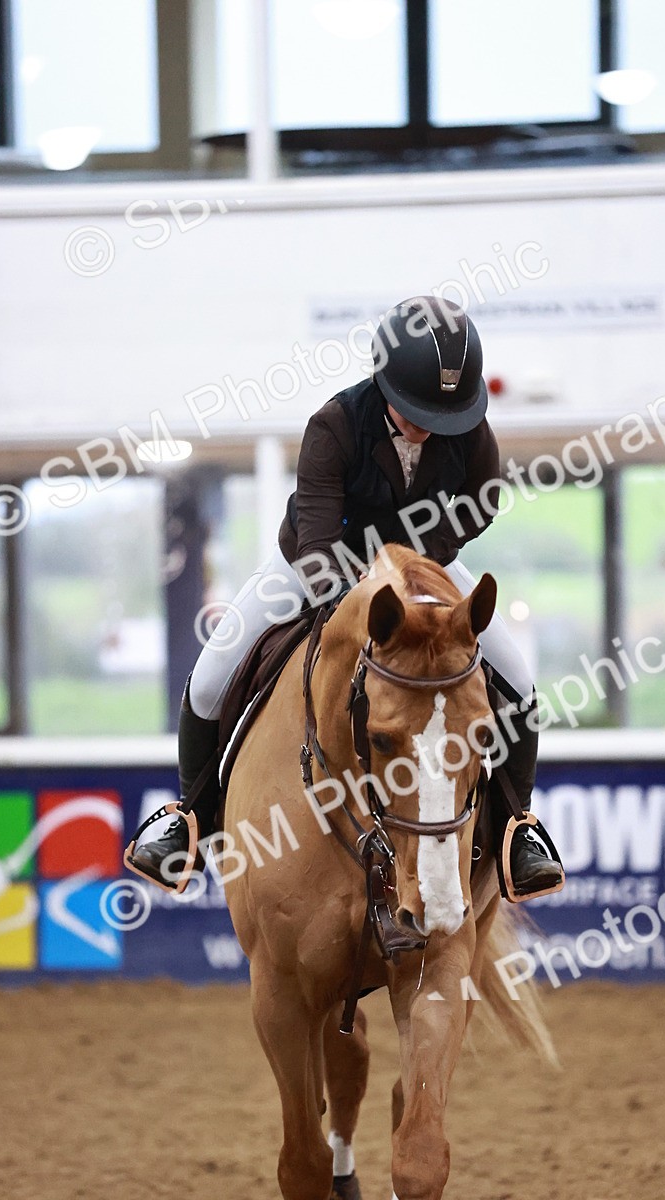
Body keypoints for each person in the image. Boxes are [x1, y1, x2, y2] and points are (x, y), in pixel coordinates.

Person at [130, 296, 563, 897]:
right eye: (417, 412)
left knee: (515, 674)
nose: (430, 427)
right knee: (210, 675)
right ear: (385, 384)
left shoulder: (468, 428)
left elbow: (481, 502)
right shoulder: (334, 425)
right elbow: (315, 541)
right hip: (319, 563)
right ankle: (189, 821)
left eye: (443, 415)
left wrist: (415, 563)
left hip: (424, 566)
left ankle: (519, 828)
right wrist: (364, 594)